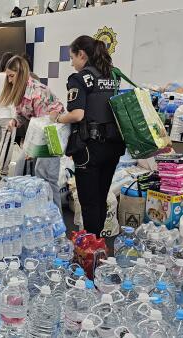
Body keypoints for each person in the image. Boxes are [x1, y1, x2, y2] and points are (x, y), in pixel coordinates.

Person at [55, 35, 125, 237]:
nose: (71, 63)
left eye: (72, 57)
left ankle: (91, 247)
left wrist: (58, 118)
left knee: (88, 201)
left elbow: (78, 114)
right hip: (113, 145)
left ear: (81, 54)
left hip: (89, 148)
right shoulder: (112, 75)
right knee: (101, 196)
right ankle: (99, 243)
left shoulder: (79, 78)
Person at [0, 55, 64, 211]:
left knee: (47, 178)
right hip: (40, 133)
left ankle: (56, 222)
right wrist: (14, 121)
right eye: (7, 76)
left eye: (11, 76)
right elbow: (22, 114)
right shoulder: (21, 92)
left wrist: (31, 149)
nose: (9, 81)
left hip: (51, 134)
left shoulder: (37, 92)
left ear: (21, 74)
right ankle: (38, 215)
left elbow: (43, 124)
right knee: (27, 171)